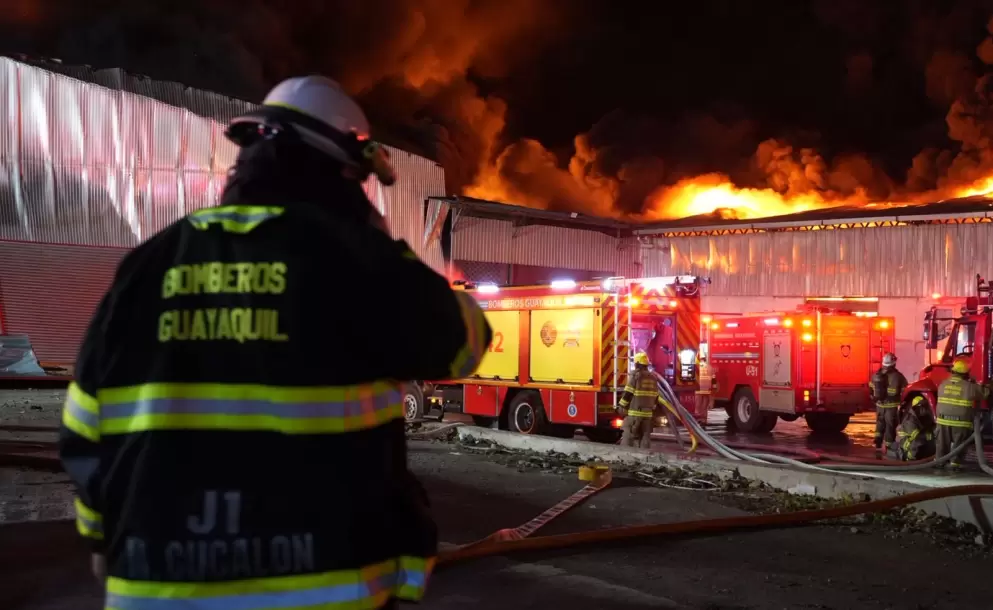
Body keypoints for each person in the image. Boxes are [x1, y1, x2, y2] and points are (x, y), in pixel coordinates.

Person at [58, 75, 492, 610]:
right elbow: (464, 344)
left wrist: (101, 534)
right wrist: (383, 250)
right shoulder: (358, 261)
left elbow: (86, 425)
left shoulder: (148, 265)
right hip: (324, 590)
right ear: (341, 169)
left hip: (157, 588)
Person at [934, 355, 989, 469]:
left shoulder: (943, 384)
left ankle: (939, 461)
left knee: (942, 443)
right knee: (959, 444)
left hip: (942, 420)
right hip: (960, 422)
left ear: (953, 371)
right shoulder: (969, 387)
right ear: (966, 374)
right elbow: (985, 393)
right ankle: (955, 464)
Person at [618, 352, 664, 448]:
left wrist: (621, 406)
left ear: (637, 364)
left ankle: (625, 454)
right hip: (648, 415)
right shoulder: (653, 377)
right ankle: (644, 454)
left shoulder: (636, 376)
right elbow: (656, 396)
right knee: (645, 437)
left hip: (635, 414)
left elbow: (628, 393)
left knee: (628, 435)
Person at [870, 352, 907, 454]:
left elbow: (871, 388)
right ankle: (888, 447)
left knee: (880, 424)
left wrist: (875, 398)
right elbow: (905, 391)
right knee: (890, 426)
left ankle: (877, 443)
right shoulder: (898, 376)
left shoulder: (876, 375)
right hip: (891, 406)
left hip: (879, 405)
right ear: (893, 363)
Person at [888, 396, 936, 462]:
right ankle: (910, 458)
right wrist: (931, 434)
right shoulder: (909, 420)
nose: (925, 409)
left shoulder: (923, 417)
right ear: (915, 408)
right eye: (922, 406)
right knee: (919, 441)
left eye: (925, 406)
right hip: (906, 447)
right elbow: (917, 438)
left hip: (915, 444)